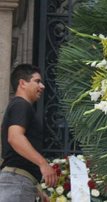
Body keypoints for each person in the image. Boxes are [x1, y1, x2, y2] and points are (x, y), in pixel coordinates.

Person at [0, 64, 58, 202]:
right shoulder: (21, 104)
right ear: (22, 83)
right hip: (16, 184)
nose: (42, 86)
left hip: (18, 183)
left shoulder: (18, 106)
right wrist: (43, 163)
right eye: (37, 81)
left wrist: (35, 187)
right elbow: (14, 137)